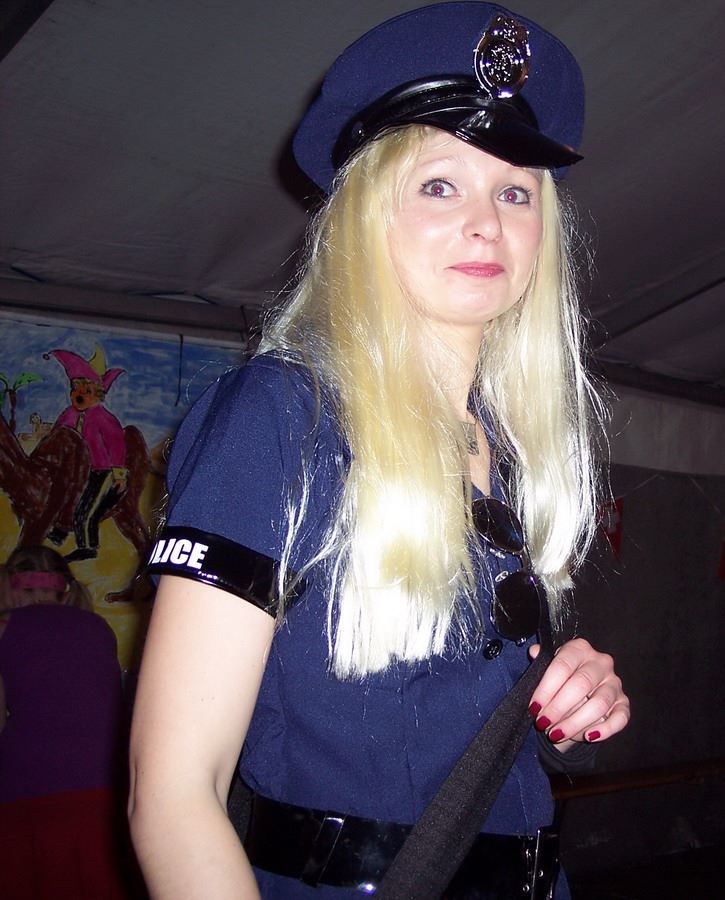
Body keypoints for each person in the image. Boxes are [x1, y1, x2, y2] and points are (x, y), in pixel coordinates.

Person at [127, 5, 630, 898]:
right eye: (440, 185)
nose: (486, 223)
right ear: (367, 215)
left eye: (515, 192)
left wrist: (564, 696)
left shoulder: (511, 449)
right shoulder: (282, 414)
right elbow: (173, 795)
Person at [0, 546, 131, 899]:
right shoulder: (99, 628)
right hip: (104, 790)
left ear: (9, 585)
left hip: (27, 789)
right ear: (66, 590)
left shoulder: (4, 627)